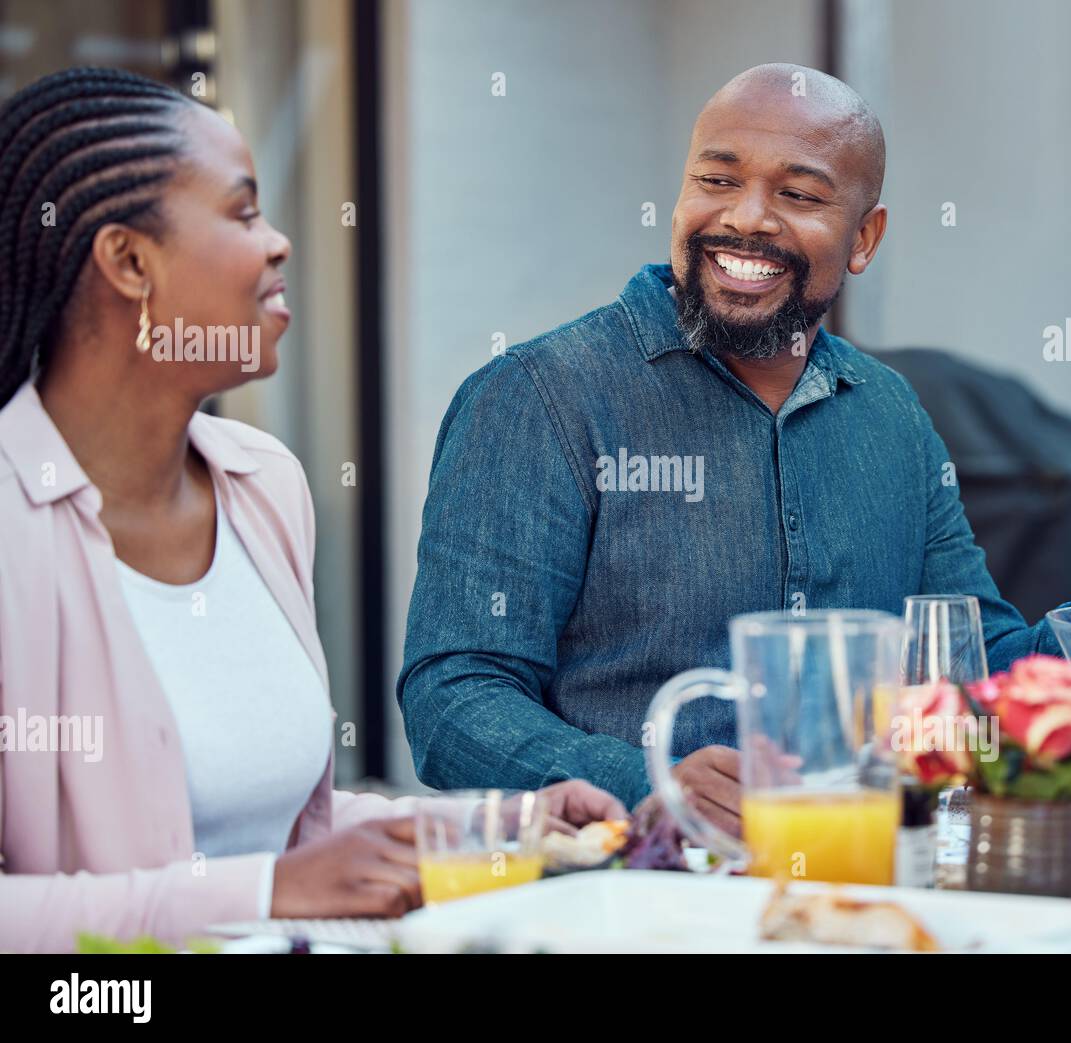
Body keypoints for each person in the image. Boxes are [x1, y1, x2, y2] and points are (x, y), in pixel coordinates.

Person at [398, 63, 1071, 827]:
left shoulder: (889, 414)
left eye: (800, 195)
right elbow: (454, 697)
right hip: (629, 901)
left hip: (861, 888)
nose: (745, 219)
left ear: (865, 238)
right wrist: (646, 780)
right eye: (716, 179)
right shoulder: (540, 396)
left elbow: (977, 684)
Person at [0, 67, 624, 954]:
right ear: (129, 262)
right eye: (244, 211)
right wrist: (269, 889)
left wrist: (501, 826)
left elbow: (296, 837)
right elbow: (273, 878)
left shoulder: (263, 483)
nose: (280, 243)